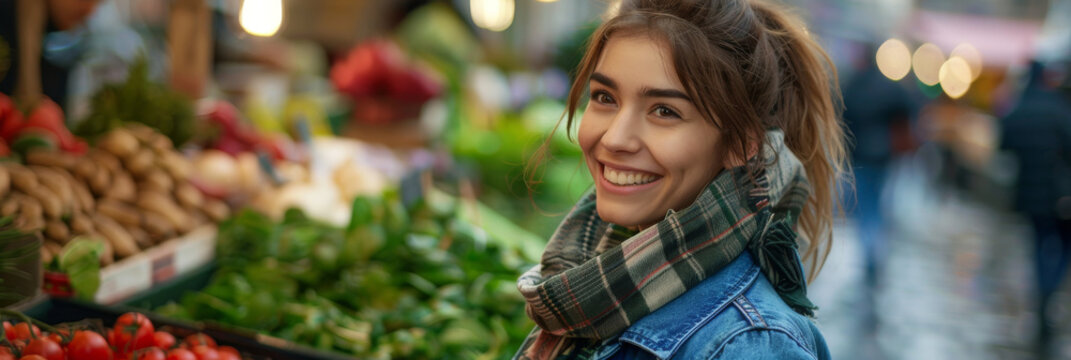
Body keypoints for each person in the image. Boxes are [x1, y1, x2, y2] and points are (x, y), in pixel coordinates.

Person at [516, 0, 848, 359]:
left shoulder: (750, 344)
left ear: (742, 144)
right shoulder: (586, 283)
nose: (613, 138)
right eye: (604, 97)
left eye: (664, 111)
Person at [999, 60, 1071, 359]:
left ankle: (1043, 291)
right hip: (1060, 196)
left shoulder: (1019, 109)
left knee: (1039, 245)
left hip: (1030, 195)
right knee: (1063, 247)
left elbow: (1004, 145)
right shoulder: (1059, 110)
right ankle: (1048, 290)